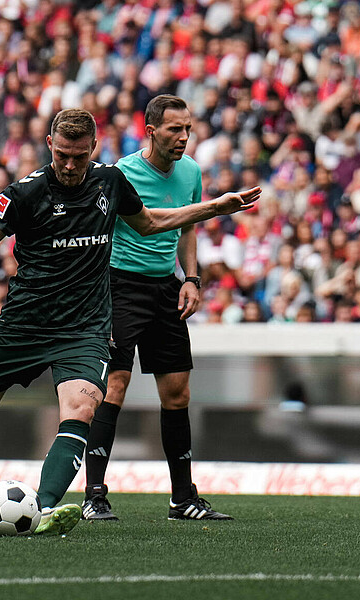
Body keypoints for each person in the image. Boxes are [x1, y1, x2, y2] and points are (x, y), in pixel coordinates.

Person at [0, 109, 259, 535]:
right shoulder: (23, 194)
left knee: (82, 408)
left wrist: (214, 208)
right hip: (24, 325)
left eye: (79, 156)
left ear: (94, 148)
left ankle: (42, 509)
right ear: (50, 144)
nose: (69, 165)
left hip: (84, 328)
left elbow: (150, 223)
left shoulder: (110, 182)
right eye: (62, 155)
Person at [82, 95, 232, 522]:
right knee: (114, 385)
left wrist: (191, 278)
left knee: (178, 391)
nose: (183, 137)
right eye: (174, 129)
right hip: (119, 285)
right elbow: (103, 232)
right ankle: (94, 496)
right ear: (151, 131)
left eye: (188, 129)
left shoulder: (192, 172)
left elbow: (187, 228)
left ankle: (182, 499)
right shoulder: (121, 173)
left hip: (165, 287)